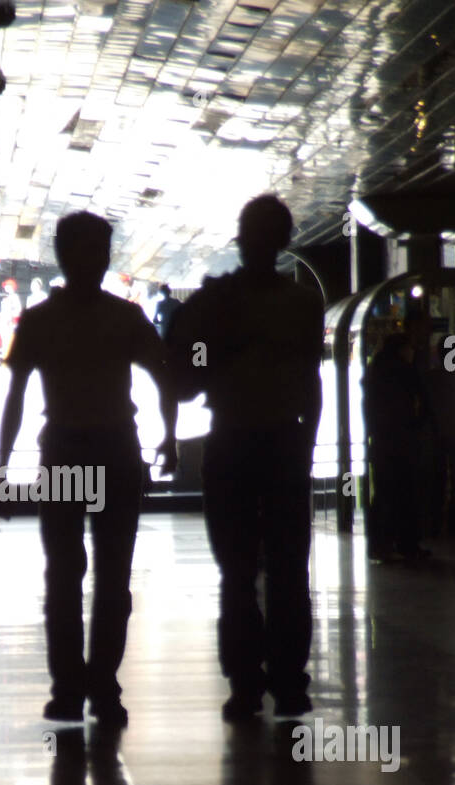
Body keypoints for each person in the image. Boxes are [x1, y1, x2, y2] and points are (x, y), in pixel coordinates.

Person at [0, 211, 178, 727]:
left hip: (65, 453)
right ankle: (102, 684)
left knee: (64, 576)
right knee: (112, 576)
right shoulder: (125, 317)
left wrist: (4, 468)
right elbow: (163, 374)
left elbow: (15, 397)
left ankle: (69, 688)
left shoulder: (39, 321)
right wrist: (168, 436)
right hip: (117, 450)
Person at [167, 194, 325, 721]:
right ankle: (287, 681)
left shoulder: (217, 302)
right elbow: (310, 382)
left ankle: (245, 682)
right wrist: (307, 443)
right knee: (286, 569)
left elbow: (186, 380)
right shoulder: (301, 304)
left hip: (234, 441)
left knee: (237, 571)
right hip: (281, 442)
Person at [362, 332, 430, 562]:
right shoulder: (404, 372)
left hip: (381, 441)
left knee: (383, 494)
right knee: (406, 493)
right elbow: (421, 402)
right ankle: (406, 543)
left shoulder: (375, 372)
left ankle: (380, 544)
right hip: (402, 440)